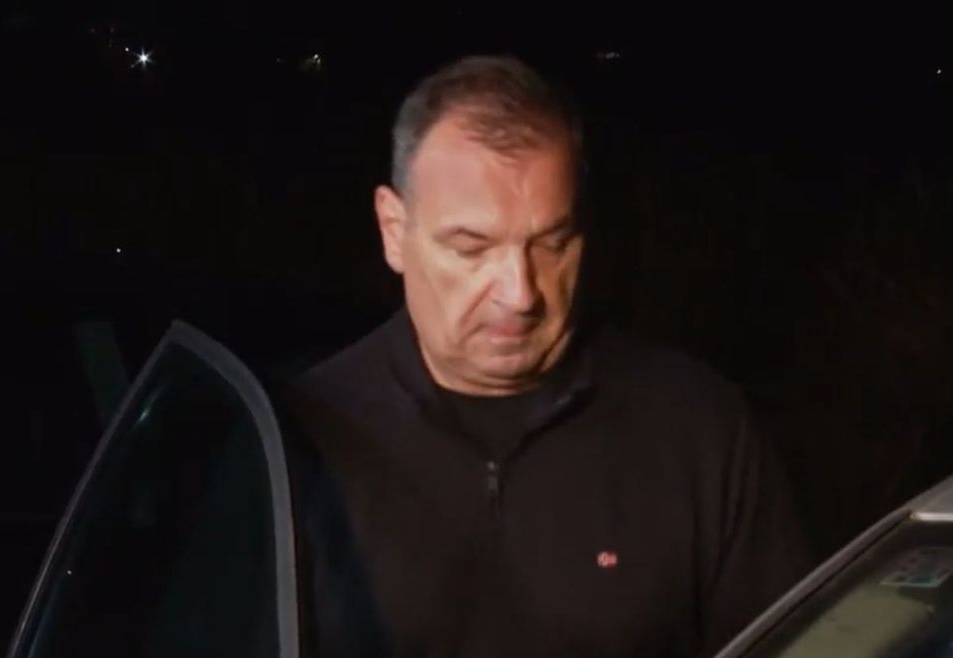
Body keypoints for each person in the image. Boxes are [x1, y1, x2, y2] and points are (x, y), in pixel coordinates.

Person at [282, 55, 810, 658]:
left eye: (552, 244)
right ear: (393, 230)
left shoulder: (699, 430)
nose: (521, 293)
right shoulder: (299, 444)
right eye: (472, 248)